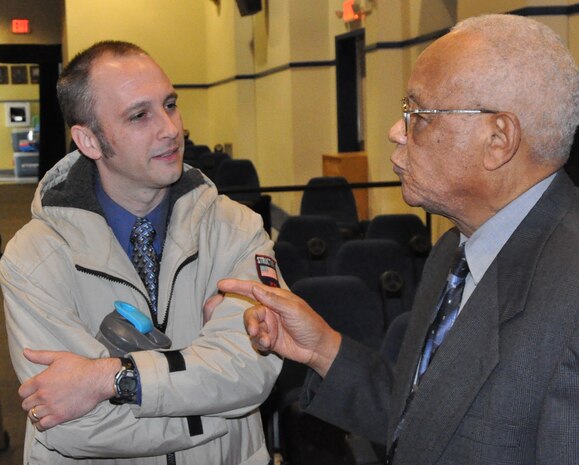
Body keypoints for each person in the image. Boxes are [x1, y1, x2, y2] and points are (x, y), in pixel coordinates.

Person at [219, 14, 579, 465]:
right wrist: (322, 349)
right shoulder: (454, 251)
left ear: (498, 139)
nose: (395, 130)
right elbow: (424, 420)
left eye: (417, 114)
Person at [0, 41, 282, 464]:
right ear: (89, 140)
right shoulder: (33, 258)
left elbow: (252, 373)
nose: (170, 128)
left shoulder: (236, 229)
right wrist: (218, 410)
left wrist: (113, 379)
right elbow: (75, 425)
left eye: (169, 104)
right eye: (139, 115)